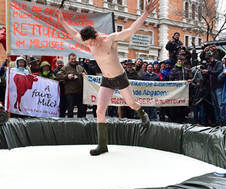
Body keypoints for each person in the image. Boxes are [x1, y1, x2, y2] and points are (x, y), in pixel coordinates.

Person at [57, 0, 157, 156]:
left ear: (95, 36)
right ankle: (102, 145)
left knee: (131, 103)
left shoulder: (110, 39)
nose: (90, 45)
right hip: (107, 80)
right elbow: (74, 34)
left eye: (90, 42)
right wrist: (62, 21)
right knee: (99, 111)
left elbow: (131, 30)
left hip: (120, 77)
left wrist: (145, 13)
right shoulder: (89, 42)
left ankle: (141, 113)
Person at [56, 53, 87, 118]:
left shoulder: (79, 67)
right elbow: (58, 75)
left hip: (79, 91)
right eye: (72, 59)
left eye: (74, 59)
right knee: (70, 108)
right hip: (70, 92)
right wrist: (67, 76)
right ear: (69, 59)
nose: (73, 60)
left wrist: (84, 74)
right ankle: (70, 123)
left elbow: (86, 73)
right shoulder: (65, 67)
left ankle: (80, 123)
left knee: (81, 108)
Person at [202, 53, 226, 126]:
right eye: (207, 59)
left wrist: (208, 72)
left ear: (212, 57)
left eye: (209, 59)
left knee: (221, 105)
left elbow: (218, 72)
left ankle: (223, 121)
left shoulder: (218, 63)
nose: (208, 61)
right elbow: (208, 75)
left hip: (218, 86)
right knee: (215, 105)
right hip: (212, 87)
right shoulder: (208, 65)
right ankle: (218, 121)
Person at [169, 56, 193, 123]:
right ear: (177, 61)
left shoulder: (186, 69)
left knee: (183, 106)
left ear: (183, 62)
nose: (180, 62)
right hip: (176, 91)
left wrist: (189, 81)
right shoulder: (173, 70)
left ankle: (182, 119)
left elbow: (189, 78)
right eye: (179, 61)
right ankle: (175, 120)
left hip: (184, 91)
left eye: (182, 61)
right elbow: (170, 80)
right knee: (176, 106)